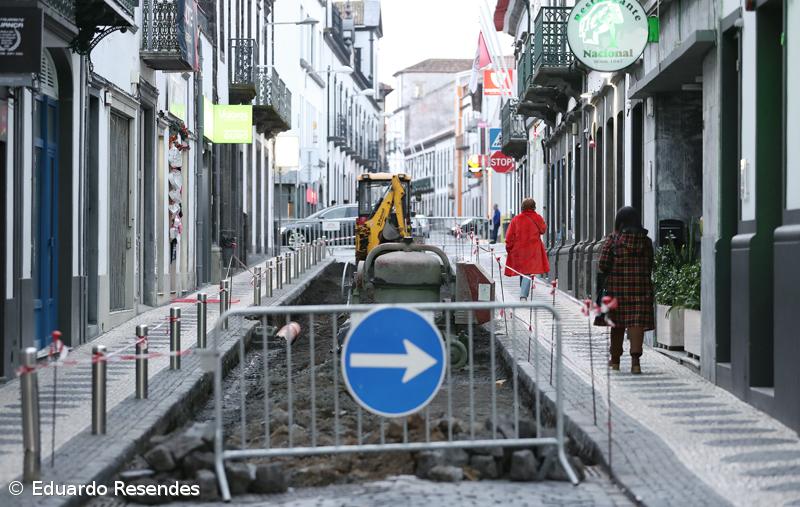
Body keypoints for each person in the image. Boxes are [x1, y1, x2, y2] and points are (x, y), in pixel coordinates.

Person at [594, 206, 654, 374]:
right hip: (640, 289)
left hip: (617, 289)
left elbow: (603, 264)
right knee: (637, 324)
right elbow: (650, 264)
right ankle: (636, 363)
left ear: (619, 222)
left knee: (617, 324)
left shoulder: (613, 240)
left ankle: (615, 361)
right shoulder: (646, 241)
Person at [504, 198, 549, 300]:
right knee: (526, 272)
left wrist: (509, 248)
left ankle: (523, 295)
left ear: (522, 207)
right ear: (534, 207)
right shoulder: (537, 218)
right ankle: (523, 295)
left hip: (519, 251)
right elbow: (543, 230)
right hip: (533, 250)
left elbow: (509, 236)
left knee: (524, 271)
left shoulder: (516, 219)